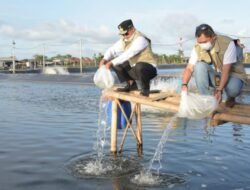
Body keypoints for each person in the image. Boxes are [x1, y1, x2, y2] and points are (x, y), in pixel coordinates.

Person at [182, 24, 248, 107]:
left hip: (233, 74)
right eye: (200, 42)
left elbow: (226, 70)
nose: (202, 45)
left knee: (233, 90)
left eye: (205, 42)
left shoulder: (227, 43)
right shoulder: (197, 47)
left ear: (213, 37)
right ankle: (206, 99)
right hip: (217, 75)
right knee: (199, 66)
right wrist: (184, 85)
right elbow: (189, 68)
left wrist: (219, 90)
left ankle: (231, 97)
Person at [99, 19, 157, 96]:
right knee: (116, 65)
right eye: (122, 34)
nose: (124, 36)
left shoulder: (140, 39)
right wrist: (104, 59)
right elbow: (112, 49)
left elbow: (129, 54)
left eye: (126, 33)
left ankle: (145, 90)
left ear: (132, 29)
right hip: (135, 69)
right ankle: (131, 85)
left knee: (140, 66)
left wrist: (110, 62)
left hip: (149, 70)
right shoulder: (124, 40)